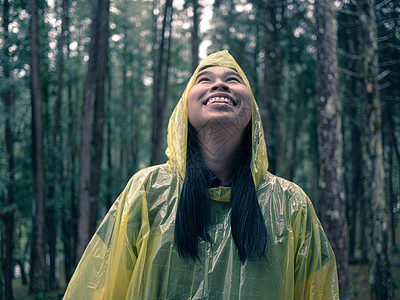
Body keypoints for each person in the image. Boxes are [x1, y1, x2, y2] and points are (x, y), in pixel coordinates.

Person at [63, 50, 339, 299]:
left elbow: (318, 290)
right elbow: (100, 286)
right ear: (184, 108)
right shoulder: (147, 190)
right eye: (204, 79)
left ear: (252, 111)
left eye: (233, 79)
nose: (220, 84)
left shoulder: (291, 204)